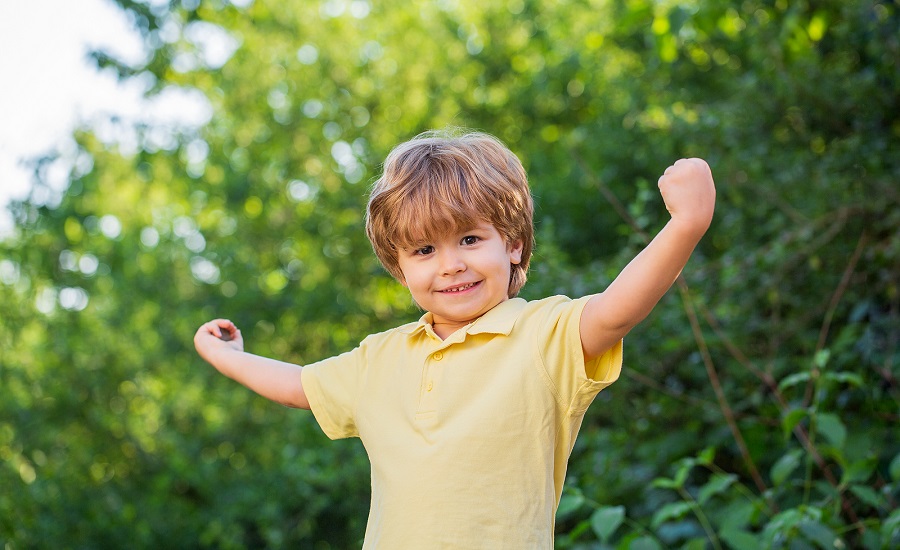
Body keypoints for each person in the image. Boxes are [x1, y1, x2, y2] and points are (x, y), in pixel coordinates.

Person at [194, 130, 716, 548]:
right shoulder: (381, 357)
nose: (451, 265)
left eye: (469, 239)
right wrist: (227, 356)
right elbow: (297, 386)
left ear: (511, 244)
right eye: (424, 250)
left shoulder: (542, 335)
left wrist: (685, 225)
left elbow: (617, 312)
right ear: (399, 268)